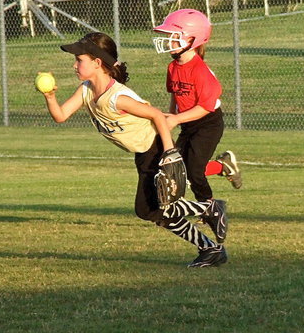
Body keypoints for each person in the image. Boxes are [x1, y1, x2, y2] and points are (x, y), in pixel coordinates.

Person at [38, 32, 228, 267]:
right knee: (152, 211)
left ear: (97, 63)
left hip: (156, 148)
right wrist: (50, 97)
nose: (75, 64)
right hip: (144, 153)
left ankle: (210, 209)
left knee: (152, 209)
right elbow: (60, 115)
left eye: (79, 59)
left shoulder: (116, 97)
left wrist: (169, 154)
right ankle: (210, 247)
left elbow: (157, 116)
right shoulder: (87, 89)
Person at [152, 8, 242, 232]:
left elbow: (205, 107)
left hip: (208, 123)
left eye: (174, 37)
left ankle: (210, 209)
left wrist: (175, 119)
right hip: (187, 123)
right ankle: (222, 166)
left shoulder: (199, 70)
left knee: (194, 171)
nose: (169, 41)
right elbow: (175, 93)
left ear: (192, 39)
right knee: (176, 168)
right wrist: (171, 116)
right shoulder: (173, 67)